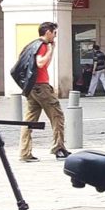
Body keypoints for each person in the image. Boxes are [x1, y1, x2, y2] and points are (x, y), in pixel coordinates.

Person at [19, 22, 71, 162]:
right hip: (41, 86)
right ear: (48, 32)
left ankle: (24, 152)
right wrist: (49, 49)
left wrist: (52, 49)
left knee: (29, 121)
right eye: (54, 33)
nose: (55, 36)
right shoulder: (42, 45)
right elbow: (41, 63)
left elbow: (44, 65)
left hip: (31, 87)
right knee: (57, 116)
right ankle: (59, 148)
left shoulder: (32, 45)